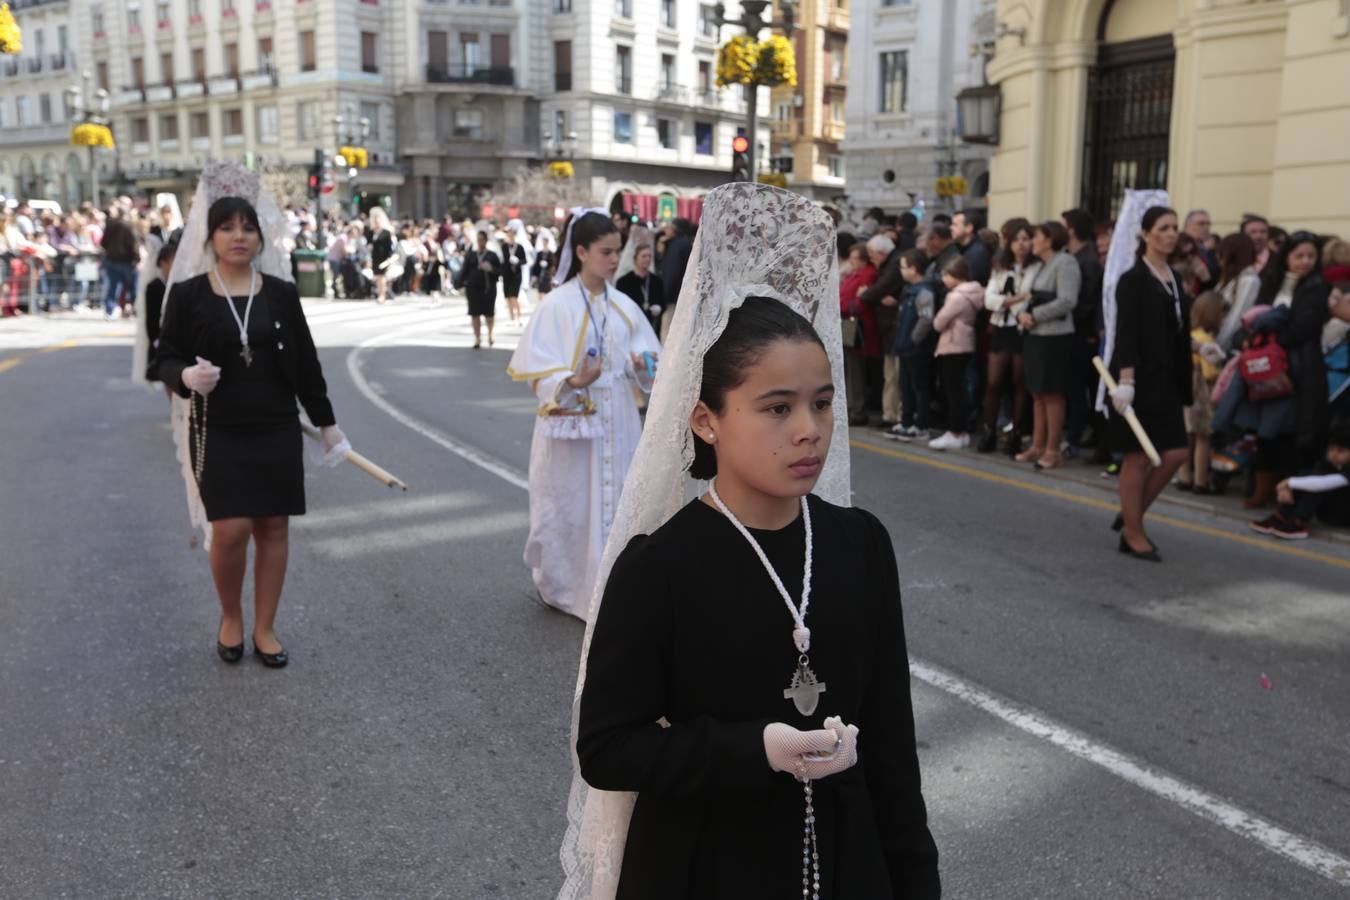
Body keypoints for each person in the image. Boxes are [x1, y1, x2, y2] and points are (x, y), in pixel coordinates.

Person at [563, 182, 939, 900]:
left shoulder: (860, 544)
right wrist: (753, 748)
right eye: (776, 408)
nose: (809, 429)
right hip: (703, 867)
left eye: (822, 403)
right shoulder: (661, 565)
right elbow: (608, 748)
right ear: (705, 420)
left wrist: (918, 884)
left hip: (847, 862)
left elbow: (891, 745)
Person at [155, 192, 348, 667]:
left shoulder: (280, 292)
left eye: (247, 227)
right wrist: (184, 376)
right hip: (217, 427)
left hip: (276, 426)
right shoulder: (188, 294)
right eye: (227, 227)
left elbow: (305, 363)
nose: (238, 236)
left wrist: (327, 424)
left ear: (260, 237)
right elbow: (164, 358)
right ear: (211, 236)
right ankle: (229, 616)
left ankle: (265, 626)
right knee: (230, 530)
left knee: (273, 526)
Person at [506, 210, 660, 620]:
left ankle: (614, 585)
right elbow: (537, 370)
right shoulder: (557, 306)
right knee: (572, 501)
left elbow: (649, 361)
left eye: (617, 251)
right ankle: (566, 584)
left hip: (619, 419)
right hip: (572, 424)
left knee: (620, 498)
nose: (614, 260)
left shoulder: (625, 306)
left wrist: (644, 365)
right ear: (581, 252)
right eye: (605, 252)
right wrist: (573, 380)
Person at [1107, 206, 1193, 561]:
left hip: (1168, 377)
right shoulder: (1133, 280)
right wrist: (1126, 382)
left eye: (1175, 227)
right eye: (1163, 228)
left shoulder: (1173, 276)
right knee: (1138, 457)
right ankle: (1133, 532)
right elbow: (1127, 333)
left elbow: (1173, 329)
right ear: (1145, 234)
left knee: (1176, 452)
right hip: (1138, 376)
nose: (1171, 233)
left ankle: (1131, 512)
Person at [1016, 221, 1081, 470]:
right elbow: (1031, 296)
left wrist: (1036, 315)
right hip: (1036, 335)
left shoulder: (1065, 263)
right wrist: (1023, 314)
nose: (1032, 242)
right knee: (1038, 392)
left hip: (1055, 337)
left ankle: (1053, 450)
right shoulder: (1043, 265)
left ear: (1049, 239)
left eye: (1036, 237)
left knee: (1052, 393)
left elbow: (1067, 300)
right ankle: (1037, 444)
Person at [981, 218, 1039, 454]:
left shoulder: (1036, 267)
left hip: (1023, 329)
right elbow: (989, 299)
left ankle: (1015, 433)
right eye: (1016, 240)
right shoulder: (1000, 267)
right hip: (1001, 328)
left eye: (1026, 239)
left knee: (1019, 382)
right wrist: (1011, 300)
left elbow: (1030, 296)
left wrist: (1006, 302)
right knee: (993, 382)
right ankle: (988, 431)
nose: (1021, 244)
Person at [1250, 417, 1350, 540]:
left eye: (1341, 451)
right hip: (1328, 512)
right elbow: (1306, 477)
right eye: (1331, 449)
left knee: (1317, 485)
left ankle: (1299, 522)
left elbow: (1323, 484)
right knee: (1308, 478)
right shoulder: (1327, 465)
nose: (1334, 454)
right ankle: (1281, 516)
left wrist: (1288, 483)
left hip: (1344, 515)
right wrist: (1286, 487)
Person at [929, 255, 984, 450]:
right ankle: (961, 432)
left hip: (952, 344)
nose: (943, 279)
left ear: (955, 275)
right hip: (966, 343)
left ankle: (955, 431)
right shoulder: (975, 292)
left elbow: (938, 322)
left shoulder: (956, 296)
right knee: (959, 389)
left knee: (952, 391)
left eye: (945, 275)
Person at [1062, 208, 1104, 455]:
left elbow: (1087, 302)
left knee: (1080, 389)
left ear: (1072, 229)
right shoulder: (1075, 256)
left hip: (1082, 333)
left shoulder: (1088, 260)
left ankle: (1076, 439)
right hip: (1076, 331)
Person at [1178, 291, 1226, 493]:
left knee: (1186, 435)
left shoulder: (1188, 336)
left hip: (1185, 391)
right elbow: (1210, 373)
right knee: (1203, 438)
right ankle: (1200, 480)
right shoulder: (1207, 342)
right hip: (1202, 395)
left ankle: (1183, 476)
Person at [889, 249, 937, 442]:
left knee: (919, 387)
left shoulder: (924, 291)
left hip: (916, 349)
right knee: (905, 385)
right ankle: (906, 421)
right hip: (905, 347)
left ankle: (921, 425)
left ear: (914, 268)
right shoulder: (910, 290)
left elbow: (926, 320)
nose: (901, 271)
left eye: (903, 267)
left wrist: (912, 340)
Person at [838, 242, 879, 426]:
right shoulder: (853, 274)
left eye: (855, 258)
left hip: (858, 325)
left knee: (855, 369)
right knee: (848, 367)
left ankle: (857, 409)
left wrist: (843, 305)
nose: (852, 261)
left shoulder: (867, 275)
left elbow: (860, 302)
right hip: (848, 323)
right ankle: (851, 406)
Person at [1214, 232, 1261, 352]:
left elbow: (1237, 317)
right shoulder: (1228, 278)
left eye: (1222, 253)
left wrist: (1219, 345)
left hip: (1225, 346)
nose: (1218, 257)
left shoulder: (1249, 281)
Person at [143, 241, 178, 384]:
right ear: (163, 263)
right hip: (161, 339)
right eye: (173, 260)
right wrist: (157, 341)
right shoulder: (155, 286)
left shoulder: (181, 285)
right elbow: (151, 317)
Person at [459, 231, 501, 349]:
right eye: (478, 239)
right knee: (474, 313)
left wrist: (491, 268)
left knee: (489, 313)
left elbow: (499, 271)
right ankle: (477, 338)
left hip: (488, 288)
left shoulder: (492, 255)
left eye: (482, 239)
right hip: (473, 288)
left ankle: (490, 333)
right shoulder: (471, 254)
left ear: (486, 240)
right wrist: (460, 283)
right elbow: (465, 270)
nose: (480, 242)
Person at [615, 242, 664, 336]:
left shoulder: (657, 281)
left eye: (649, 256)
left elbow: (662, 301)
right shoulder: (623, 282)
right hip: (631, 327)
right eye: (644, 256)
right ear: (635, 258)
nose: (647, 259)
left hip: (651, 327)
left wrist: (659, 307)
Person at [100, 207, 139, 321]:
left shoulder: (110, 226)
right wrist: (137, 258)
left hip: (112, 260)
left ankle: (110, 310)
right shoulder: (129, 226)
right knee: (133, 288)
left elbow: (104, 243)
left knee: (113, 286)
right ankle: (135, 310)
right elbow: (134, 245)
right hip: (127, 261)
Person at [658, 218, 694, 341]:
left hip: (673, 296)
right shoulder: (680, 243)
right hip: (677, 294)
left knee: (668, 331)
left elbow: (672, 272)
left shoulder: (678, 246)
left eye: (668, 227)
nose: (665, 229)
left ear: (674, 230)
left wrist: (665, 295)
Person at [951, 209, 991, 286]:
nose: (951, 228)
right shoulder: (960, 247)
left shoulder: (978, 252)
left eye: (955, 225)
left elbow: (969, 282)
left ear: (969, 228)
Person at [500, 228, 528, 324]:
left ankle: (519, 316)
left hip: (516, 275)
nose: (510, 236)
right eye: (509, 234)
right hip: (506, 274)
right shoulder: (504, 247)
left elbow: (524, 260)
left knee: (514, 296)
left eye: (512, 234)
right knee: (507, 296)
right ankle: (511, 317)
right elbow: (501, 259)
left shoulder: (519, 247)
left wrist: (518, 261)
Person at [368, 206, 395, 303]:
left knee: (382, 277)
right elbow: (369, 243)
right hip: (375, 257)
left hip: (384, 258)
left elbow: (389, 247)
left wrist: (389, 258)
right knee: (378, 277)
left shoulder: (386, 232)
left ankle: (382, 295)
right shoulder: (371, 232)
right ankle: (381, 293)